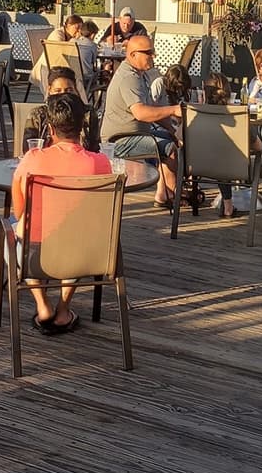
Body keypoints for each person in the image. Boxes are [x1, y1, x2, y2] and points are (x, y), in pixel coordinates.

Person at [11, 93, 111, 335]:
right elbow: (101, 215)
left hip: (35, 255)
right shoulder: (100, 163)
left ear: (50, 129)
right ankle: (64, 308)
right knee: (79, 233)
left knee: (19, 229)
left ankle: (42, 304)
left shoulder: (32, 159)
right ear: (82, 127)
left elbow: (19, 209)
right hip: (84, 255)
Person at [100, 35, 180, 209]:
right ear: (133, 54)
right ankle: (168, 195)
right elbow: (142, 113)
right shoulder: (128, 77)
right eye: (149, 53)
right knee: (170, 149)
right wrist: (174, 110)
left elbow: (152, 107)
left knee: (172, 140)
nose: (153, 56)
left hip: (137, 132)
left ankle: (166, 191)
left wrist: (174, 131)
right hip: (120, 140)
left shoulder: (139, 74)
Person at [22, 66, 101, 153]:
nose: (63, 96)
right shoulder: (38, 115)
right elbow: (28, 150)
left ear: (75, 90)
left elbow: (95, 149)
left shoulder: (87, 114)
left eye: (68, 91)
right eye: (58, 91)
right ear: (49, 90)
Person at [202, 71, 238, 218]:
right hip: (232, 167)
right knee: (224, 156)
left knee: (218, 154)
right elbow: (256, 145)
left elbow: (179, 136)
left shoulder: (195, 112)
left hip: (195, 164)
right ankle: (228, 205)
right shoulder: (237, 117)